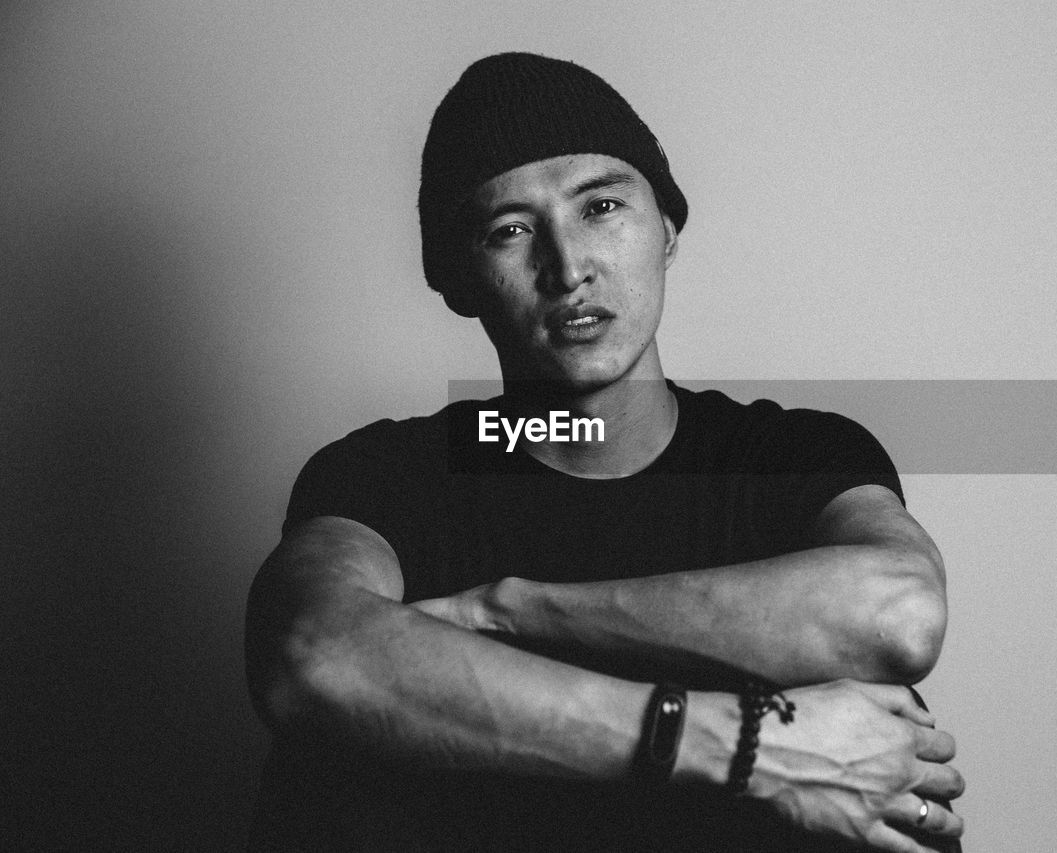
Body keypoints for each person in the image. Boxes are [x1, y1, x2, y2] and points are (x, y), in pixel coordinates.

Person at [245, 52, 965, 852]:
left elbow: (899, 611)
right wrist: (744, 747)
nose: (569, 266)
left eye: (602, 206)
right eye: (510, 229)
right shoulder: (389, 477)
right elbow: (311, 653)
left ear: (667, 229)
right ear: (457, 277)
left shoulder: (789, 454)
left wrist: (510, 611)